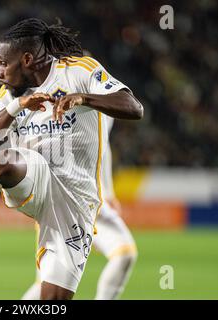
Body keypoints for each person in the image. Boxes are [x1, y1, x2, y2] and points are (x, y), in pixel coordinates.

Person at [0, 18, 143, 300]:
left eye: (3, 63)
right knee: (2, 161)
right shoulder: (10, 93)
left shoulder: (79, 71)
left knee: (52, 300)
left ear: (27, 59)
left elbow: (133, 107)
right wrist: (17, 106)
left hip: (76, 200)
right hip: (34, 175)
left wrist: (83, 98)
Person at [22, 114, 138, 300]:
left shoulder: (101, 94)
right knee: (50, 283)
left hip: (86, 196)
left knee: (124, 254)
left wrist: (108, 193)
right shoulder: (67, 92)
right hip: (67, 195)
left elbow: (102, 142)